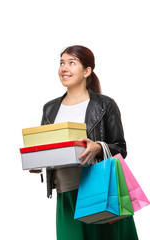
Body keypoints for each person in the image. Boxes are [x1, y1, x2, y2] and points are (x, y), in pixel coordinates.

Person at [32, 45, 139, 240]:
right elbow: (46, 146)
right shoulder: (49, 109)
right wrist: (36, 161)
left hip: (100, 190)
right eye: (62, 63)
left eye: (72, 63)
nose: (64, 68)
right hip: (66, 192)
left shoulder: (105, 105)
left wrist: (97, 147)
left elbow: (120, 148)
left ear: (87, 71)